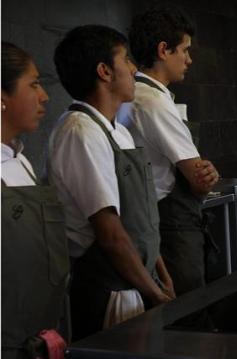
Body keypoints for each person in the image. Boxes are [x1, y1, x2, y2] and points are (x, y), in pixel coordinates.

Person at [49, 25, 175, 340]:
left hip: (139, 282)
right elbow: (111, 235)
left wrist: (161, 276)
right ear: (104, 71)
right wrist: (155, 294)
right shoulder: (81, 132)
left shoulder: (118, 130)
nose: (134, 69)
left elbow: (140, 219)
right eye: (126, 60)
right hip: (110, 289)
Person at [119, 6, 219, 297]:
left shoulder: (135, 95)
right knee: (188, 312)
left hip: (155, 217)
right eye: (184, 50)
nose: (188, 59)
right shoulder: (153, 101)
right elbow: (198, 178)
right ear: (164, 50)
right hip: (171, 222)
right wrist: (207, 176)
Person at [1, 42, 69, 359]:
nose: (44, 96)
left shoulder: (22, 161)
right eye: (33, 84)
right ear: (2, 99)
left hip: (41, 337)